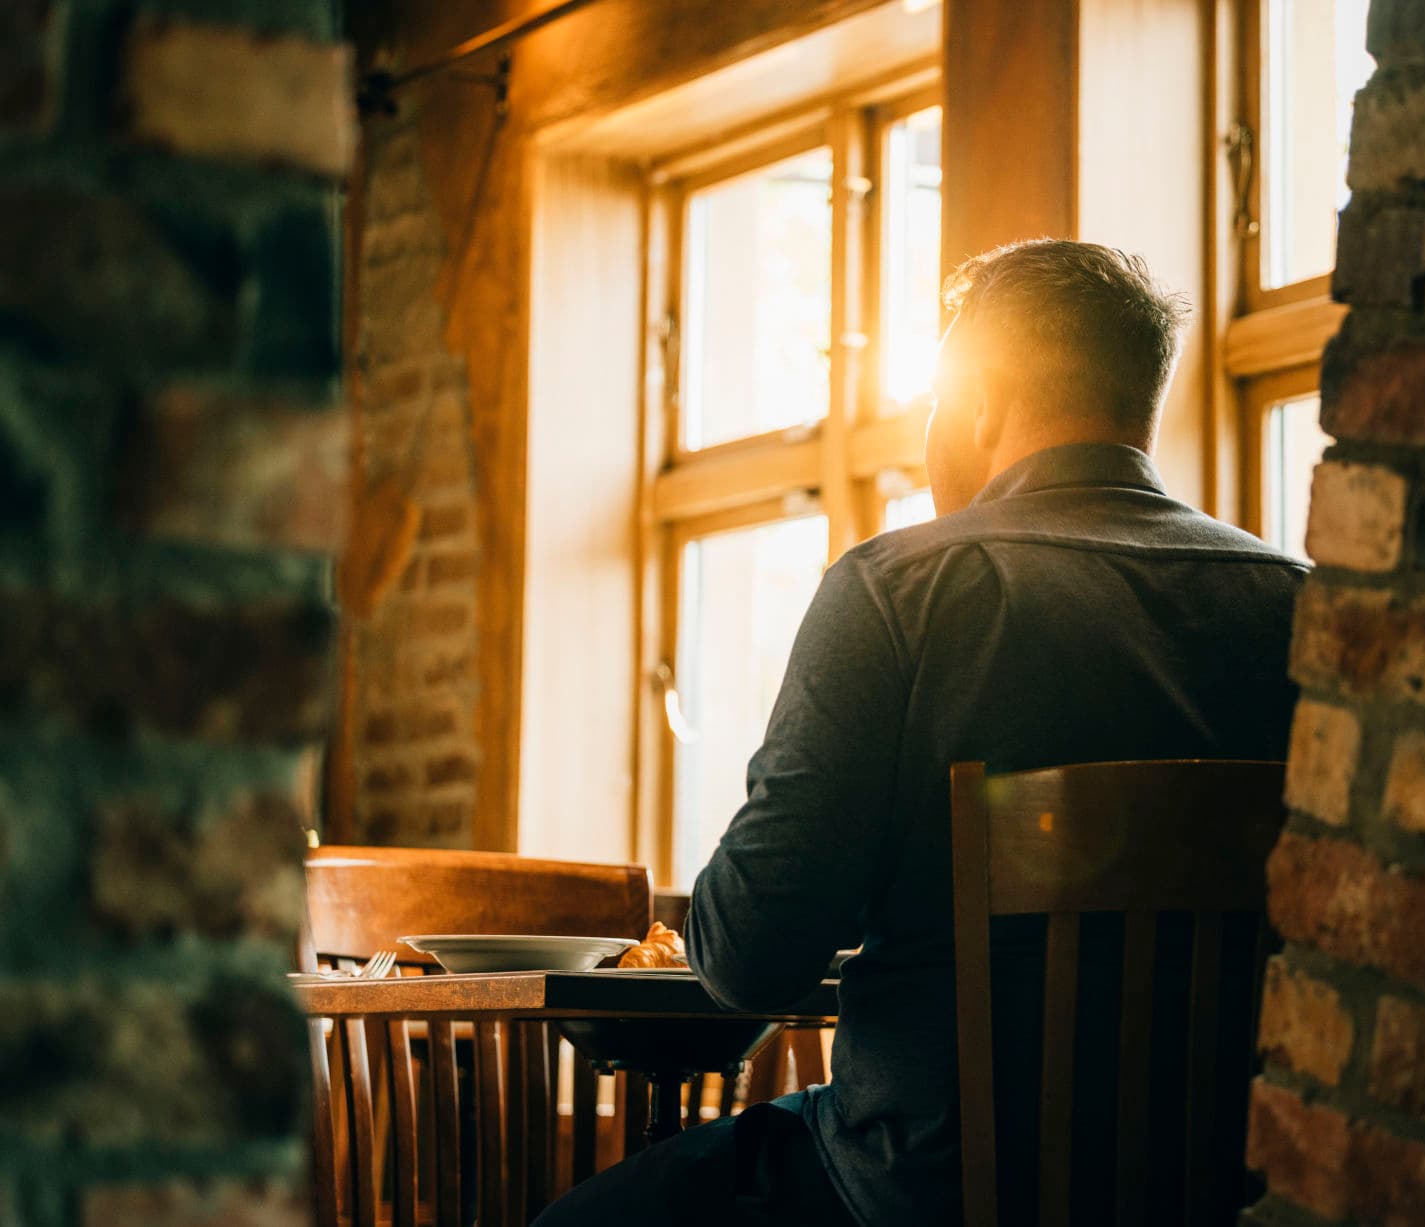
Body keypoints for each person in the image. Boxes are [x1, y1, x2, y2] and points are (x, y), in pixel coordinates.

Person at [534, 239, 1306, 1227]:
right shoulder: (1294, 608)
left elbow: (749, 957)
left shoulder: (898, 591)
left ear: (979, 398)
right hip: (1220, 1189)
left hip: (921, 1186)